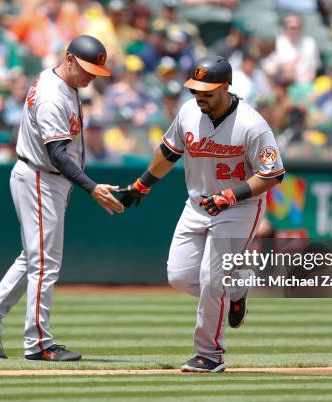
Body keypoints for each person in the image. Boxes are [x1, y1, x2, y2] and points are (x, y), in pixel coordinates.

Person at [119, 56, 285, 372]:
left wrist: (230, 195)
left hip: (239, 208)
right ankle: (237, 287)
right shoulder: (188, 112)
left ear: (226, 87)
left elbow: (273, 174)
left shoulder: (252, 125)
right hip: (196, 204)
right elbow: (168, 153)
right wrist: (142, 185)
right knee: (180, 276)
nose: (200, 96)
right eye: (196, 89)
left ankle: (209, 354)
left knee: (211, 279)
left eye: (207, 91)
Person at [0, 35, 125, 361]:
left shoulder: (58, 80)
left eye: (95, 70)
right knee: (45, 265)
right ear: (68, 59)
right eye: (85, 68)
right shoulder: (53, 96)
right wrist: (91, 187)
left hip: (43, 178)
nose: (91, 76)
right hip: (41, 177)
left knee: (32, 258)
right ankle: (38, 343)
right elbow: (59, 156)